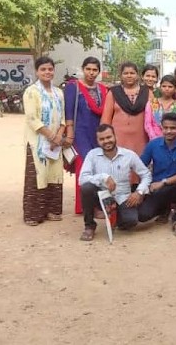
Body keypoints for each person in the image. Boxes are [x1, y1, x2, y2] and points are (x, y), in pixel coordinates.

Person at [78, 124, 152, 241]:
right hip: (102, 198)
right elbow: (82, 179)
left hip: (123, 198)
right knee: (86, 188)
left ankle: (116, 219)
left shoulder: (129, 155)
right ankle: (89, 226)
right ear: (97, 141)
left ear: (115, 136)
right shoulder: (92, 155)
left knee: (131, 221)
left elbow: (146, 174)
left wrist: (139, 192)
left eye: (109, 137)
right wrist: (104, 177)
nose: (106, 141)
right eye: (102, 139)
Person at [23, 56, 67, 226]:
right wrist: (50, 136)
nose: (47, 72)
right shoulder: (31, 92)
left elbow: (63, 117)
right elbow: (32, 118)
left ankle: (53, 210)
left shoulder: (59, 92)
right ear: (37, 71)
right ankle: (34, 214)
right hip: (37, 143)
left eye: (50, 69)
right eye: (43, 69)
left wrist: (59, 135)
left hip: (56, 143)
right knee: (38, 175)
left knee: (54, 175)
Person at [138, 112, 176, 238]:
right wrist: (144, 186)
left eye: (173, 128)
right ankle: (163, 210)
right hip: (157, 190)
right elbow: (140, 166)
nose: (169, 131)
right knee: (143, 216)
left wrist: (164, 182)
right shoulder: (153, 145)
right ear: (161, 127)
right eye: (166, 128)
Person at [64, 56, 108, 215]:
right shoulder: (73, 87)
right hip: (80, 134)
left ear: (99, 71)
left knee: (99, 167)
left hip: (98, 134)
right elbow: (69, 111)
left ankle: (97, 205)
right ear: (83, 69)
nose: (91, 72)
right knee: (84, 169)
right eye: (88, 69)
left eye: (95, 70)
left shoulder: (103, 89)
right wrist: (69, 133)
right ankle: (84, 207)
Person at [100, 62, 150, 180]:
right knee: (118, 172)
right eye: (125, 73)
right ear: (121, 76)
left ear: (137, 75)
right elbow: (106, 119)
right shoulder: (113, 92)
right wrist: (105, 139)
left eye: (132, 73)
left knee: (139, 172)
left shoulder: (147, 93)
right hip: (119, 140)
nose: (129, 76)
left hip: (141, 140)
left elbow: (153, 117)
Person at [144, 75, 176, 140]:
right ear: (160, 87)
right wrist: (154, 138)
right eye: (164, 86)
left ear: (175, 88)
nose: (167, 89)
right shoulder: (151, 103)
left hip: (174, 141)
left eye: (170, 86)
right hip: (155, 140)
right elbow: (148, 124)